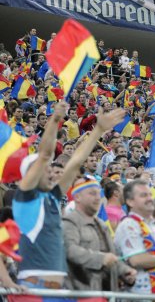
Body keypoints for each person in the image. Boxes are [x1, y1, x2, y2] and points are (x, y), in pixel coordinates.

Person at [14, 102, 125, 290]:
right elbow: (45, 155)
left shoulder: (51, 197)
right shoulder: (24, 198)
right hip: (35, 289)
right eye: (44, 170)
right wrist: (55, 120)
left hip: (59, 289)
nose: (51, 173)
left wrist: (98, 130)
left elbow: (75, 163)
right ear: (29, 175)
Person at [62, 177, 137, 290]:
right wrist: (101, 259)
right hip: (81, 292)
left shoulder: (101, 224)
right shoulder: (70, 222)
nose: (98, 198)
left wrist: (125, 271)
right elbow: (70, 250)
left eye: (98, 193)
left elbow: (111, 255)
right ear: (77, 197)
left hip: (105, 292)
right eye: (92, 193)